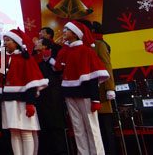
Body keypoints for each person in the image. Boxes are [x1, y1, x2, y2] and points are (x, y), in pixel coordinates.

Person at [47, 20, 110, 155]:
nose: (63, 31)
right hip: (69, 93)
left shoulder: (86, 51)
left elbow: (93, 75)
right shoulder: (66, 51)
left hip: (86, 93)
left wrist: (95, 99)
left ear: (75, 34)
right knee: (77, 127)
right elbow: (59, 68)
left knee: (91, 127)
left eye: (67, 30)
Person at [0, 28, 48, 155]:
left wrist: (30, 103)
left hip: (24, 100)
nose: (5, 43)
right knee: (14, 132)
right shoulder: (1, 59)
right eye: (4, 40)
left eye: (8, 40)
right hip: (7, 101)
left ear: (16, 42)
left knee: (26, 132)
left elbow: (32, 82)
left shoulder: (26, 59)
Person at [84, 20, 117, 155]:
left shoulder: (99, 45)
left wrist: (110, 88)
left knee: (106, 128)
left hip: (102, 93)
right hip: (88, 94)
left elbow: (107, 66)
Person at [33, 38, 68, 155]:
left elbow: (59, 70)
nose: (35, 43)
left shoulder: (54, 56)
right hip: (41, 97)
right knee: (44, 126)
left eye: (38, 42)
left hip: (53, 95)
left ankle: (61, 151)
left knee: (56, 126)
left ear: (44, 46)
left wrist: (49, 59)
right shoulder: (35, 58)